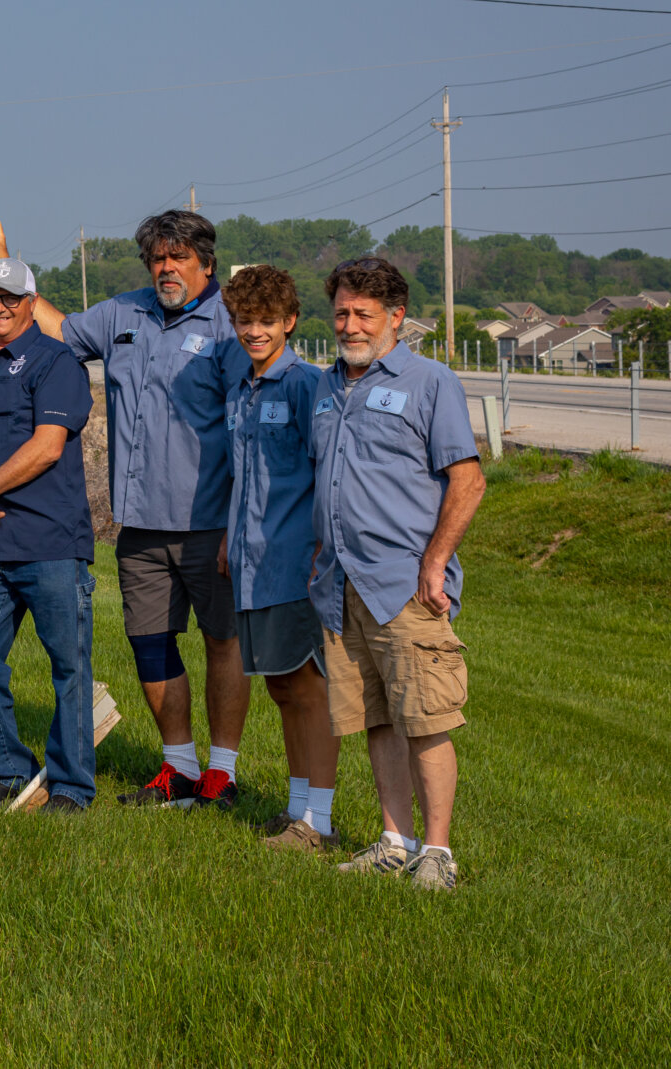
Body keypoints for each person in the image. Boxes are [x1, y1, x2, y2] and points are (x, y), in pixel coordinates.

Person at [0, 209, 253, 808]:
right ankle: (179, 769)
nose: (166, 268)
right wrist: (8, 262)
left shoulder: (230, 329)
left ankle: (223, 773)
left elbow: (247, 427)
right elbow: (54, 328)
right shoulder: (123, 313)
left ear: (205, 264)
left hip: (209, 521)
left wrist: (241, 524)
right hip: (140, 525)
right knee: (151, 644)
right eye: (158, 258)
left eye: (178, 258)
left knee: (222, 643)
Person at [309, 258, 484, 891]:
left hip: (406, 585)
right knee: (376, 717)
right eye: (342, 314)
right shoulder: (326, 388)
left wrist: (434, 562)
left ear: (396, 318)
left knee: (427, 719)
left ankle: (437, 853)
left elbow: (467, 480)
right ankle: (394, 839)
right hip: (340, 585)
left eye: (363, 314)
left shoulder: (429, 382)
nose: (350, 326)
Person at [0, 256, 97, 814]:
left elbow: (48, 445)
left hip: (48, 539)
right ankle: (7, 772)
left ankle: (73, 786)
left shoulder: (56, 362)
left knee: (69, 666)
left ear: (31, 304)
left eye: (9, 299)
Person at [217, 265, 338, 853]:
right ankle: (295, 810)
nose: (254, 331)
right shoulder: (242, 389)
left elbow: (330, 471)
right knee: (281, 689)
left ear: (290, 322)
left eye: (266, 320)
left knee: (308, 687)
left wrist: (321, 547)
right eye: (244, 320)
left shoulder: (304, 385)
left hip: (294, 563)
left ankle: (319, 822)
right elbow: (245, 478)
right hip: (251, 564)